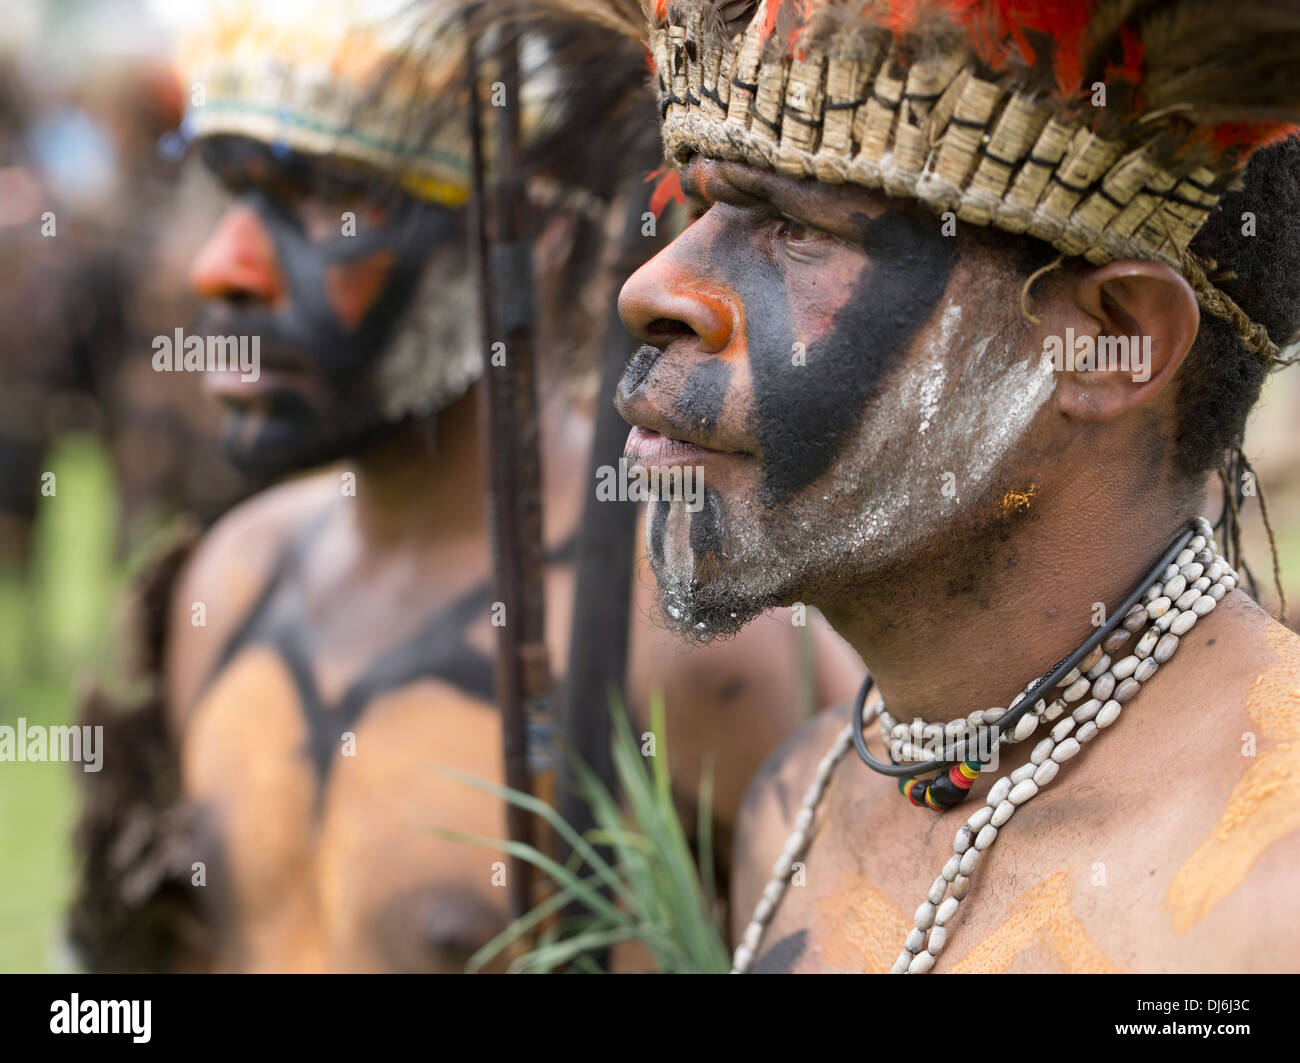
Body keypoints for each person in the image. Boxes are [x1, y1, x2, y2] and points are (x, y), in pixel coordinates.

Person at [68, 0, 859, 973]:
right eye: (231, 195)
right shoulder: (229, 581)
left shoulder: (701, 632)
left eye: (326, 202)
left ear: (537, 237)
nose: (220, 266)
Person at [584, 0, 1300, 972]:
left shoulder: (1271, 881)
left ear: (1103, 340)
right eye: (702, 209)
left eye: (795, 227)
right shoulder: (798, 808)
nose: (653, 287)